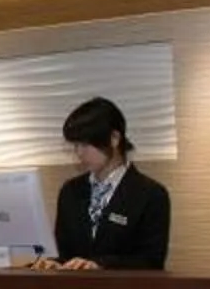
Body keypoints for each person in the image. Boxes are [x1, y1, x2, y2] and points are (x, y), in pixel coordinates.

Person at [45, 96, 171, 270]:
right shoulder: (70, 191)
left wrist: (100, 265)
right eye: (75, 145)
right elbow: (65, 254)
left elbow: (151, 261)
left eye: (85, 144)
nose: (79, 153)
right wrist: (54, 263)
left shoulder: (151, 194)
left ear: (114, 138)